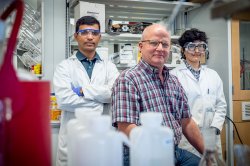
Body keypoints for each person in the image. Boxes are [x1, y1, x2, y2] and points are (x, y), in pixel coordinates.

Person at [111, 24, 204, 166]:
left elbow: (187, 121)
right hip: (140, 154)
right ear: (141, 47)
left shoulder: (173, 80)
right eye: (154, 43)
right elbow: (126, 128)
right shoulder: (128, 79)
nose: (160, 48)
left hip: (174, 151)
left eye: (165, 44)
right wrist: (160, 153)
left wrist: (208, 154)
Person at [53, 16, 119, 166]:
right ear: (76, 36)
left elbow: (114, 93)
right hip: (74, 140)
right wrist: (100, 103)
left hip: (104, 138)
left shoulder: (109, 66)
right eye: (84, 32)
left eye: (95, 33)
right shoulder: (64, 67)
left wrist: (83, 90)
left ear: (100, 37)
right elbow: (65, 101)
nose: (90, 37)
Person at [170, 28, 227, 158]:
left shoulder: (213, 75)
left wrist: (216, 127)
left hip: (211, 136)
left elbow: (221, 105)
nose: (196, 51)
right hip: (187, 140)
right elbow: (173, 110)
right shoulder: (174, 76)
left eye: (201, 46)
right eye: (191, 46)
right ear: (183, 50)